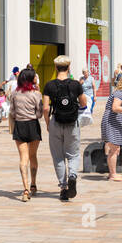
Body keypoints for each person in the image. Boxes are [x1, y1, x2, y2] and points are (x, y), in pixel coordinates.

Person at [42, 55, 88, 202]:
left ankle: (63, 188)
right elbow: (83, 104)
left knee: (58, 156)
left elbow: (45, 108)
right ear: (68, 68)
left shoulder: (49, 85)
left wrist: (48, 123)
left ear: (55, 67)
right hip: (72, 123)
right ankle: (72, 175)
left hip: (56, 121)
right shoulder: (75, 84)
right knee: (73, 154)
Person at [9, 68, 43, 202]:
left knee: (23, 158)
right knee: (33, 155)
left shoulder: (14, 93)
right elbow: (39, 113)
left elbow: (12, 112)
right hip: (33, 125)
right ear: (30, 79)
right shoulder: (36, 94)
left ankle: (25, 189)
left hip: (20, 126)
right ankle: (33, 183)